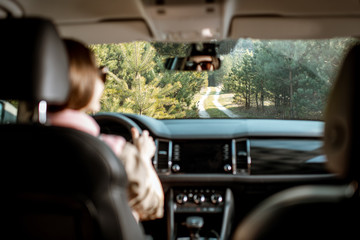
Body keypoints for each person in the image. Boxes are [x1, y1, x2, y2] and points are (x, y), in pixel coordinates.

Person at [47, 38, 164, 222]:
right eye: (101, 75)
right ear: (82, 79)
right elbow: (153, 206)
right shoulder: (114, 152)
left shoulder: (11, 145)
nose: (102, 83)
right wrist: (143, 159)